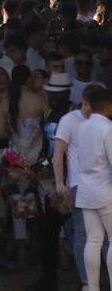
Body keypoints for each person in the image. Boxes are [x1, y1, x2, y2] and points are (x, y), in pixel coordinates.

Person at [71, 86, 112, 291]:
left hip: (85, 189)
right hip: (105, 191)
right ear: (107, 106)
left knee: (93, 240)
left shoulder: (81, 127)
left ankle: (92, 288)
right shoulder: (108, 128)